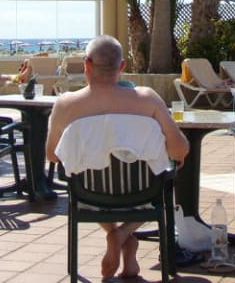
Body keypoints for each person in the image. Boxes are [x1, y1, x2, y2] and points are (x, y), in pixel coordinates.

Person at [46, 35, 189, 280]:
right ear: (122, 67)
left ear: (86, 65)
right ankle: (123, 235)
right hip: (143, 195)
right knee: (166, 174)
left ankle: (116, 234)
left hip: (89, 197)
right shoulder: (148, 99)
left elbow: (52, 155)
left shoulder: (66, 105)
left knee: (85, 172)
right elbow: (180, 150)